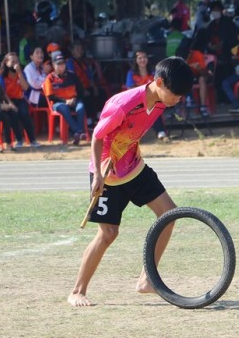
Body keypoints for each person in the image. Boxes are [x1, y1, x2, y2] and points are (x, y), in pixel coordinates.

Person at [67, 56, 194, 307]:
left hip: (134, 166)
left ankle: (147, 279)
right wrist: (98, 175)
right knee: (108, 234)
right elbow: (97, 136)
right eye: (176, 94)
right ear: (159, 82)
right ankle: (77, 291)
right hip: (108, 173)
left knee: (169, 214)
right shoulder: (123, 105)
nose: (178, 99)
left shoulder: (160, 102)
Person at [42, 53, 87, 145]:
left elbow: (81, 91)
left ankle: (78, 133)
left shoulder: (72, 75)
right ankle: (78, 131)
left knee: (81, 107)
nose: (61, 66)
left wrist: (74, 99)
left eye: (63, 63)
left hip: (74, 100)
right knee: (64, 108)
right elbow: (50, 97)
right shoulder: (49, 78)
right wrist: (65, 101)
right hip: (58, 103)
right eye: (58, 64)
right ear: (53, 65)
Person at [0, 52, 40, 148]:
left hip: (20, 99)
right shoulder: (1, 75)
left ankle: (32, 139)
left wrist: (19, 72)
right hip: (7, 100)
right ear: (6, 63)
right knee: (13, 114)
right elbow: (2, 93)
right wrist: (11, 104)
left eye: (16, 61)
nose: (15, 64)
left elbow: (25, 88)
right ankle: (19, 139)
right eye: (12, 62)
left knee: (24, 113)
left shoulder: (21, 73)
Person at [124, 51, 169, 141]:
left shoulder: (153, 73)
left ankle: (160, 132)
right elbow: (130, 89)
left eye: (144, 57)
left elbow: (159, 87)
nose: (142, 60)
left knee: (155, 106)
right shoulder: (131, 73)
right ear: (136, 60)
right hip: (136, 101)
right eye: (140, 58)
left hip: (151, 100)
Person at [67, 40, 101, 125]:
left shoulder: (83, 63)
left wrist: (95, 87)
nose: (79, 51)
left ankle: (99, 117)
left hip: (86, 86)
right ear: (72, 51)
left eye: (81, 49)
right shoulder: (70, 63)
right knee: (87, 96)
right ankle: (89, 122)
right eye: (77, 49)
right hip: (76, 89)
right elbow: (72, 79)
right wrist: (82, 90)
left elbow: (90, 77)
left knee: (100, 92)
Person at [185, 32, 212, 118]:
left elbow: (205, 73)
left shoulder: (197, 54)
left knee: (202, 79)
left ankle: (203, 107)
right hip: (188, 78)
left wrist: (199, 68)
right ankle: (185, 105)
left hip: (200, 75)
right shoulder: (180, 55)